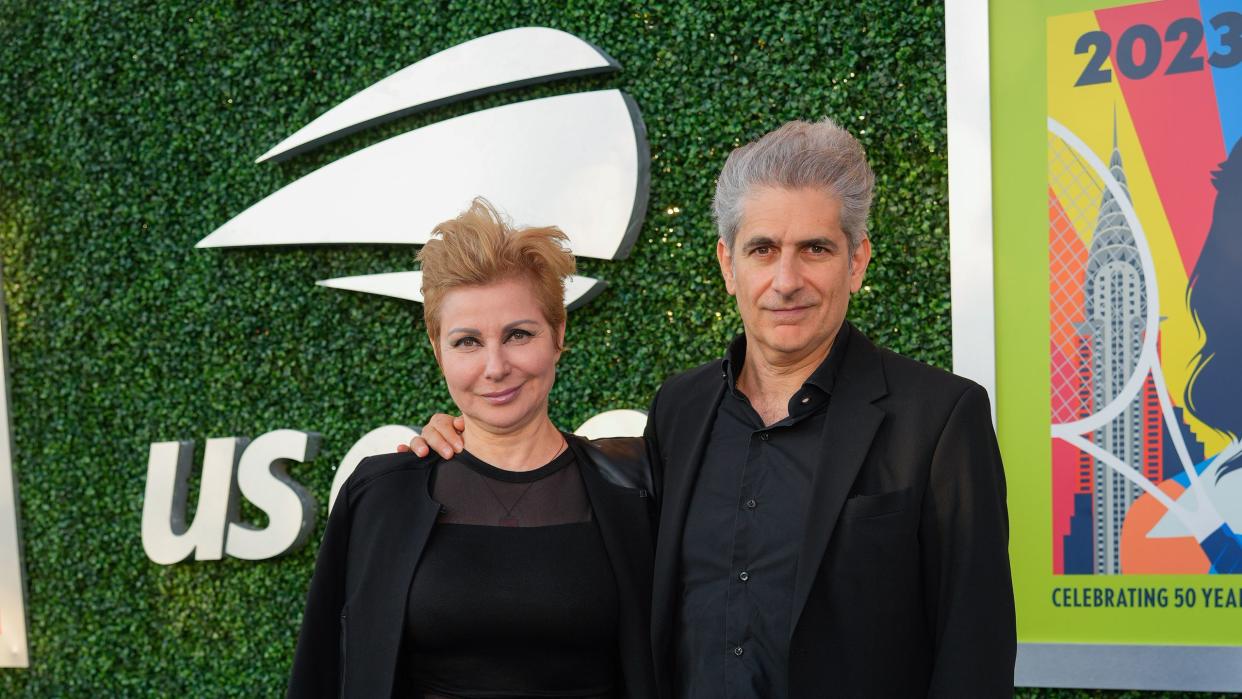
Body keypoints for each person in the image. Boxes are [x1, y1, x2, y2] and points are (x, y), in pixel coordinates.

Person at [410, 119, 1017, 697]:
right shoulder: (681, 408)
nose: (785, 279)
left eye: (815, 249)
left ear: (856, 262)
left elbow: (975, 652)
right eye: (762, 249)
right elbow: (576, 484)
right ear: (728, 264)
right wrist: (466, 438)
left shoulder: (938, 420)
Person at [289, 199, 659, 698]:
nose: (495, 366)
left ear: (559, 335)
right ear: (437, 349)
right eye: (467, 342)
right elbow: (322, 673)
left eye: (518, 335)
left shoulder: (637, 488)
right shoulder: (379, 495)